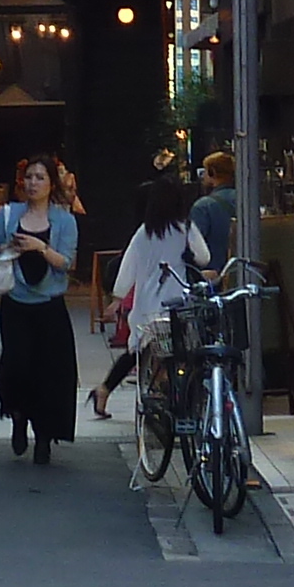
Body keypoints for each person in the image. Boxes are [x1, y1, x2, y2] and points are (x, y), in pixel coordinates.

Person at [92, 176, 206, 421]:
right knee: (179, 351)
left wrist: (117, 299)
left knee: (138, 351)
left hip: (146, 304)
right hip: (176, 302)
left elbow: (127, 268)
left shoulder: (144, 233)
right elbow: (204, 257)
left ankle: (104, 390)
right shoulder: (185, 227)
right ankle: (174, 399)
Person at [0, 157, 82, 459]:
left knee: (50, 373)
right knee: (17, 366)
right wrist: (9, 249)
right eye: (29, 177)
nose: (33, 183)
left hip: (50, 306)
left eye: (40, 177)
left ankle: (44, 437)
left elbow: (67, 263)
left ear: (51, 184)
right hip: (15, 303)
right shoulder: (7, 215)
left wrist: (40, 247)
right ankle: (18, 418)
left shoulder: (64, 220)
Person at [188, 149, 240, 269]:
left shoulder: (203, 207)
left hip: (213, 278)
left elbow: (193, 247)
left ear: (212, 173)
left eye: (205, 172)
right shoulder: (247, 201)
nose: (203, 176)